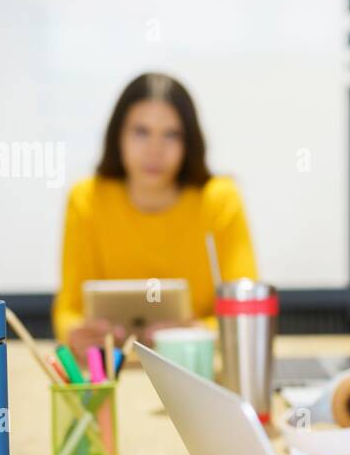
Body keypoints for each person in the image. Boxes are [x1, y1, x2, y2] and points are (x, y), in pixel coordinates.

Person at [52, 73, 257, 355]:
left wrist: (199, 334)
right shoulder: (86, 199)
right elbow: (68, 312)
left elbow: (245, 314)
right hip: (110, 370)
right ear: (118, 136)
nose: (154, 150)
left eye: (171, 134)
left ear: (189, 142)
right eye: (141, 132)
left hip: (194, 368)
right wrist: (77, 333)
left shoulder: (220, 199)